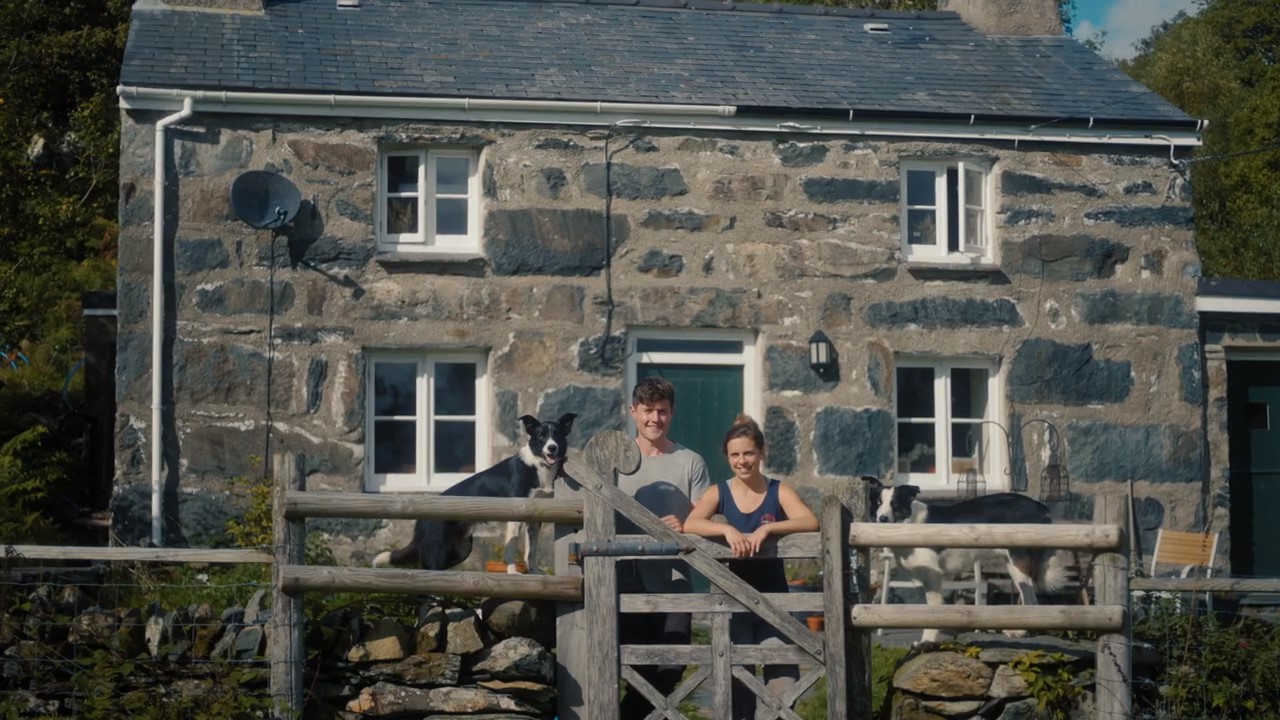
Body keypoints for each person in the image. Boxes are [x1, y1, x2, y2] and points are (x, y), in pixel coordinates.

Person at [684, 414, 819, 720]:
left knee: (783, 682)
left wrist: (770, 529)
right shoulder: (720, 492)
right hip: (733, 606)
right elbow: (691, 523)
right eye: (735, 455)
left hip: (774, 604)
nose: (742, 461)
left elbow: (811, 521)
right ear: (727, 456)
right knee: (735, 682)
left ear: (761, 453)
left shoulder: (777, 490)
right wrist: (727, 531)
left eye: (748, 453)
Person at [617, 377, 711, 720]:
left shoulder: (691, 462)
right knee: (627, 669)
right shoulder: (611, 461)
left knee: (670, 669)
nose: (655, 419)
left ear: (671, 413)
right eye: (648, 411)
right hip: (621, 582)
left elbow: (706, 517)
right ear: (633, 412)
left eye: (662, 411)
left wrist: (685, 525)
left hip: (673, 582)